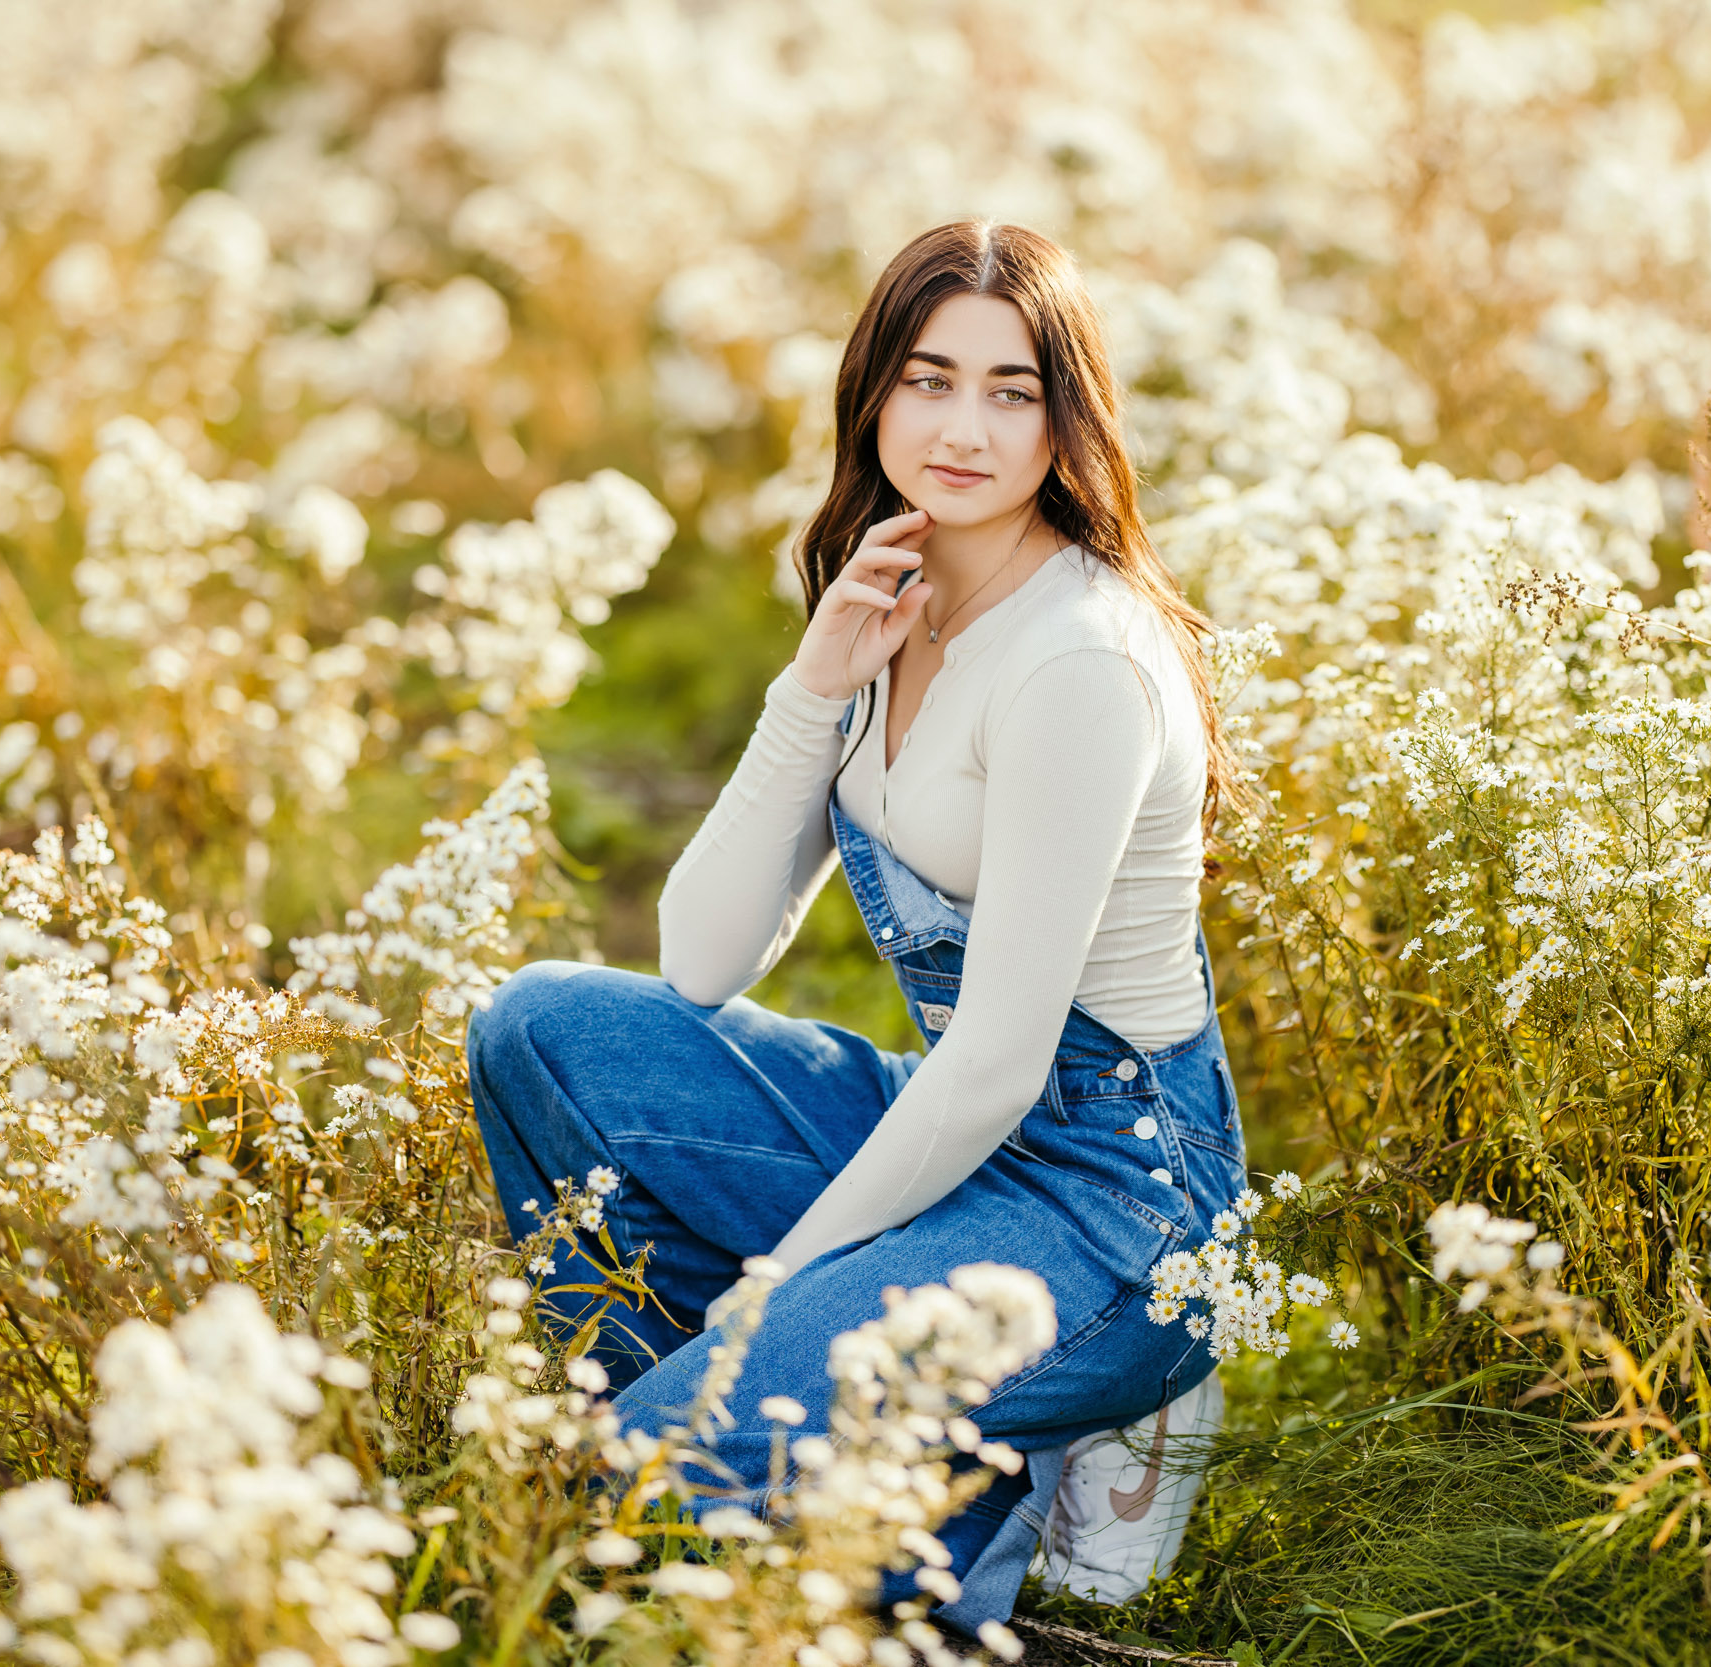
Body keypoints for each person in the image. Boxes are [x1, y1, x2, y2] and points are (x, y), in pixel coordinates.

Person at [465, 218, 1247, 1628]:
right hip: (947, 1127)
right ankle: (870, 1464)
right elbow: (702, 959)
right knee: (539, 1034)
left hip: (1111, 1196)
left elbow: (1007, 1068)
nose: (964, 427)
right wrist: (815, 688)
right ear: (874, 389)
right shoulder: (891, 583)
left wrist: (771, 1295)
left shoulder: (1078, 661)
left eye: (1014, 391)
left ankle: (884, 1472)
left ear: (1068, 420)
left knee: (625, 1486)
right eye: (930, 378)